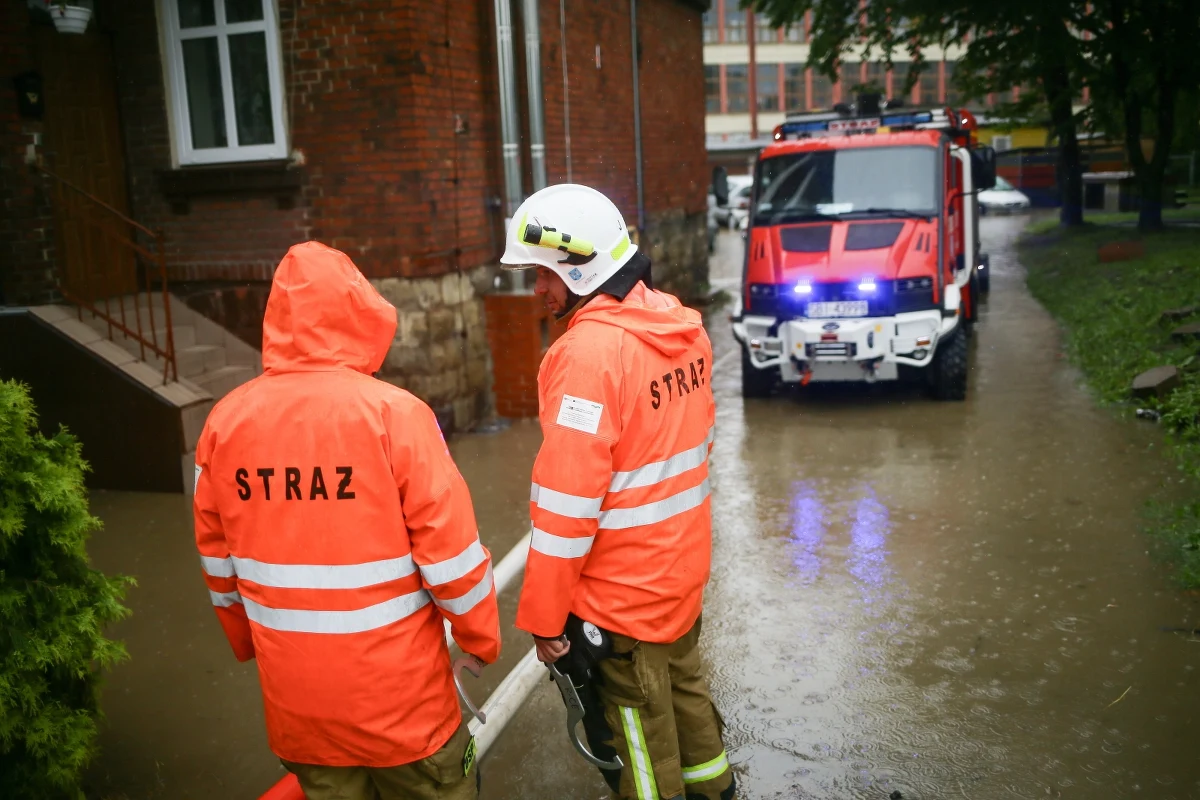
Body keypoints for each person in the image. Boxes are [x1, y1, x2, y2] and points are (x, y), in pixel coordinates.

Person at [193, 241, 500, 800]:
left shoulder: (223, 424)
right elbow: (451, 554)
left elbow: (218, 563)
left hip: (299, 706)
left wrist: (248, 642)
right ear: (357, 311)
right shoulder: (395, 415)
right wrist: (480, 637)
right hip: (404, 706)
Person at [503, 184, 735, 800]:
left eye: (544, 273)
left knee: (637, 736)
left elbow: (566, 505)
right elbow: (693, 448)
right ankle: (717, 790)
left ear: (580, 267)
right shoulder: (680, 326)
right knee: (685, 695)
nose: (538, 289)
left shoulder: (587, 355)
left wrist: (545, 617)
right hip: (679, 574)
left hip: (621, 600)